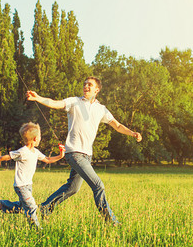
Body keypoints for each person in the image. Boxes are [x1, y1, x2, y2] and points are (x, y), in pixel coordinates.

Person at [26, 76, 142, 225]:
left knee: (72, 188)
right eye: (85, 84)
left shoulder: (101, 109)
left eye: (90, 85)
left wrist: (132, 133)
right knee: (98, 185)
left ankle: (44, 208)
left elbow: (117, 125)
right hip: (74, 152)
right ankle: (111, 221)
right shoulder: (74, 102)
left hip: (87, 156)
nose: (86, 86)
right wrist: (38, 98)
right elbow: (55, 103)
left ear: (97, 90)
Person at [0, 122, 65, 229]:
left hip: (28, 185)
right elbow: (7, 157)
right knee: (32, 206)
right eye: (40, 137)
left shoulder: (35, 152)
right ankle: (36, 229)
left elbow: (48, 159)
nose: (40, 139)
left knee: (22, 208)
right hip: (21, 186)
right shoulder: (22, 152)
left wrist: (60, 155)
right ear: (35, 138)